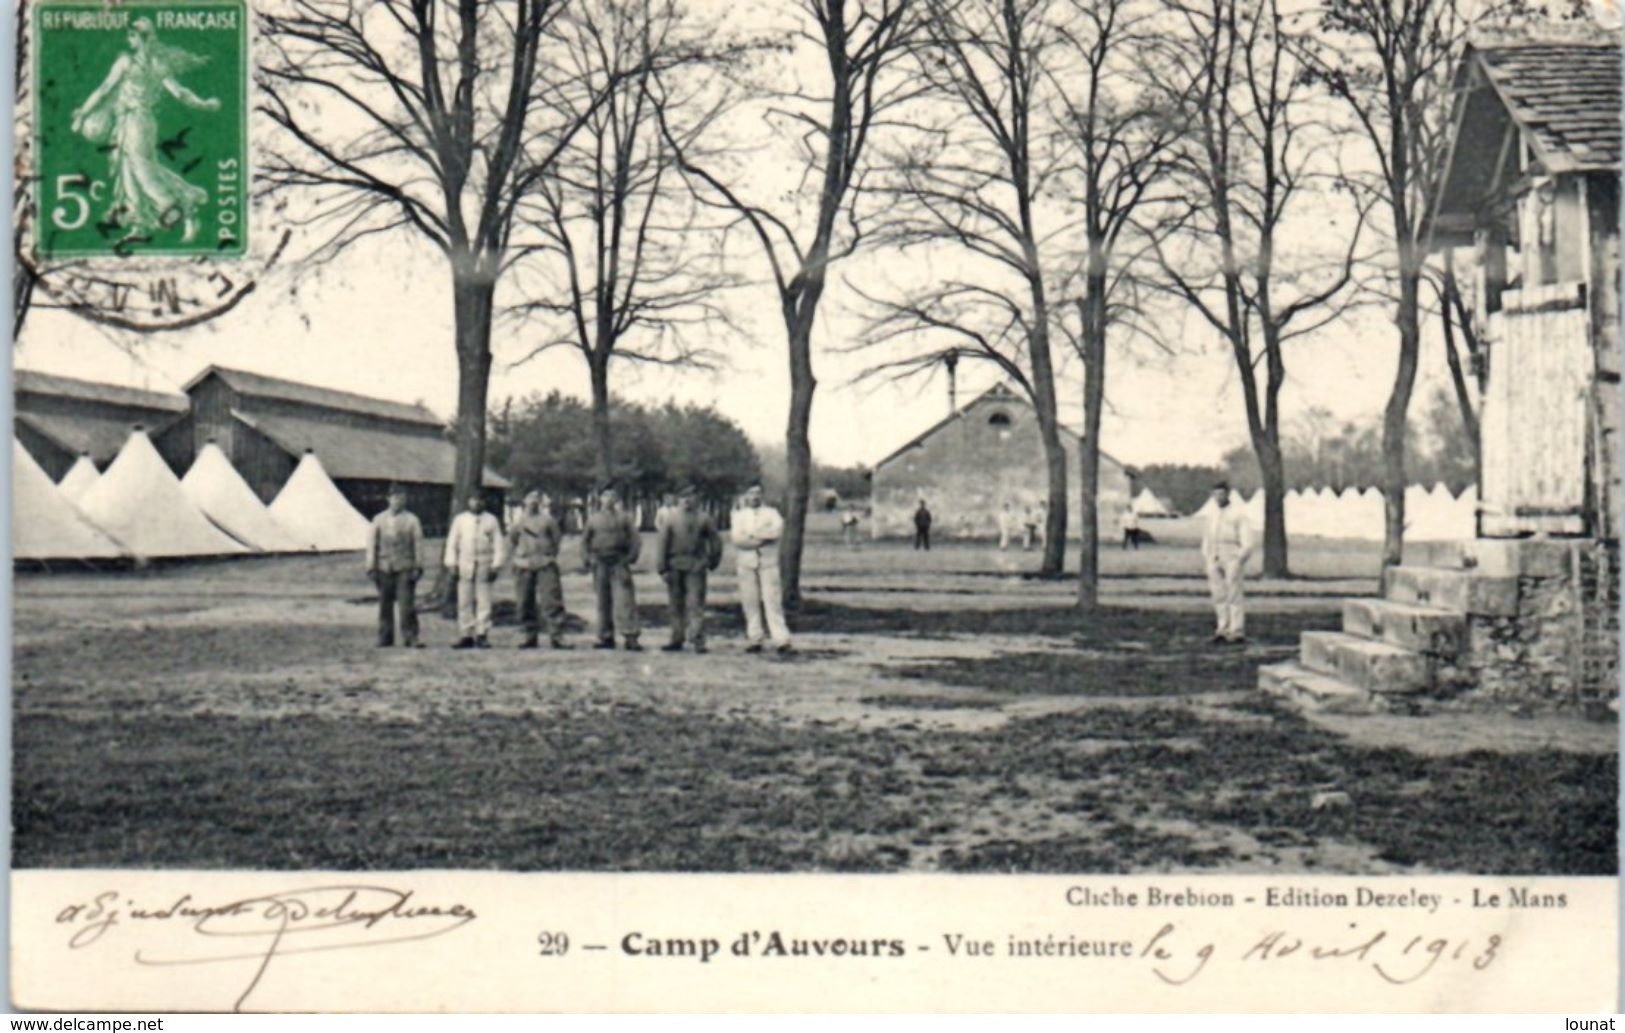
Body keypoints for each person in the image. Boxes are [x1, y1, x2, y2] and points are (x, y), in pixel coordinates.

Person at [70, 19, 221, 244]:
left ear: (144, 38)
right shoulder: (153, 63)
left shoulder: (132, 62)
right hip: (132, 120)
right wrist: (203, 104)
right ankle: (141, 223)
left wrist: (83, 114)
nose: (129, 39)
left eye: (132, 35)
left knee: (140, 168)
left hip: (137, 120)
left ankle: (171, 205)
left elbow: (104, 90)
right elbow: (180, 93)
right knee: (130, 170)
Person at [656, 485, 724, 653]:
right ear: (677, 500)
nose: (687, 501)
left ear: (696, 499)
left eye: (691, 497)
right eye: (683, 497)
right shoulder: (670, 519)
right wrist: (662, 568)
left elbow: (715, 542)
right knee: (675, 604)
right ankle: (676, 638)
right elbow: (662, 544)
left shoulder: (704, 519)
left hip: (696, 565)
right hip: (674, 565)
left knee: (695, 603)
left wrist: (712, 561)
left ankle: (697, 639)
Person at [732, 483, 793, 654]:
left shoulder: (772, 513)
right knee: (750, 601)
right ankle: (755, 637)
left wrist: (753, 535)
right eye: (751, 493)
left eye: (758, 493)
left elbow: (776, 532)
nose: (755, 497)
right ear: (745, 495)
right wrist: (762, 537)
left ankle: (781, 638)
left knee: (772, 600)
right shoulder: (739, 515)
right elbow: (738, 539)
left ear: (762, 495)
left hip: (768, 562)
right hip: (746, 562)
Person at [581, 484, 642, 651]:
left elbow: (635, 539)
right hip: (600, 562)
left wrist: (630, 557)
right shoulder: (593, 519)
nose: (608, 499)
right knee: (603, 600)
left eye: (612, 496)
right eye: (605, 496)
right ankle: (605, 636)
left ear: (616, 499)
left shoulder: (625, 518)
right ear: (600, 499)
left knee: (625, 599)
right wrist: (588, 559)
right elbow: (585, 541)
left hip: (619, 562)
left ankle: (631, 636)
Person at [365, 484, 424, 648]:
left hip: (405, 566)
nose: (399, 501)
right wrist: (371, 566)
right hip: (384, 567)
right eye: (396, 498)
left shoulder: (412, 520)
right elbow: (372, 544)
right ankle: (385, 636)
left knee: (407, 605)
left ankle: (411, 636)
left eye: (402, 498)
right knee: (385, 605)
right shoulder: (378, 519)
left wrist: (418, 566)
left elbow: (418, 544)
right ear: (388, 499)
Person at [509, 489, 568, 650]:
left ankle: (557, 636)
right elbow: (513, 540)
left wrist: (549, 554)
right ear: (524, 501)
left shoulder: (548, 521)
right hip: (524, 564)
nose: (533, 502)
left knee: (551, 600)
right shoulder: (519, 522)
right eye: (529, 498)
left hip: (545, 563)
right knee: (525, 601)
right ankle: (529, 635)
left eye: (536, 499)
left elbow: (556, 539)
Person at [445, 493, 505, 649]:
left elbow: (498, 544)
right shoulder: (460, 520)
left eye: (480, 500)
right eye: (474, 500)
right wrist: (451, 563)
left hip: (484, 563)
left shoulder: (491, 520)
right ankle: (466, 634)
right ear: (469, 501)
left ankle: (482, 633)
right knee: (464, 600)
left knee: (483, 600)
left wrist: (496, 565)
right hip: (465, 563)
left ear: (484, 502)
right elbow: (452, 542)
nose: (477, 503)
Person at [1200, 480, 1253, 646]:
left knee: (1233, 594)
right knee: (1218, 595)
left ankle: (1236, 630)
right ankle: (1222, 628)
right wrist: (1207, 556)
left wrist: (1239, 558)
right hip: (1215, 555)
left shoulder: (1238, 514)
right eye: (1215, 494)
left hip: (1231, 555)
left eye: (1221, 494)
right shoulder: (1212, 514)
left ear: (1228, 494)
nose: (1218, 497)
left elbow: (1247, 541)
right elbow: (1207, 537)